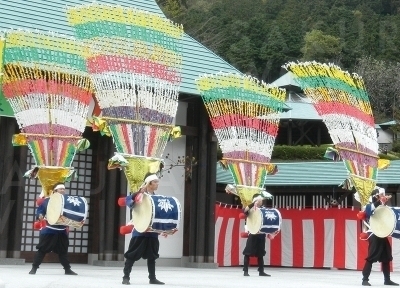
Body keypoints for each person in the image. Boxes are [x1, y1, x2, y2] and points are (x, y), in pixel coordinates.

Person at [122, 173, 166, 285]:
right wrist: (138, 193)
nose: (157, 184)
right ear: (149, 183)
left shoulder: (156, 198)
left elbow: (159, 215)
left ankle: (152, 278)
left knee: (152, 256)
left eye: (157, 181)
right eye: (155, 182)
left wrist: (163, 229)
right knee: (132, 254)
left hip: (152, 232)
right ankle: (126, 277)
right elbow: (128, 202)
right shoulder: (140, 195)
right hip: (140, 230)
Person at [29, 183, 77, 275]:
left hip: (62, 230)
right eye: (60, 189)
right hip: (49, 229)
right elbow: (40, 211)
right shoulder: (47, 201)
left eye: (63, 189)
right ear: (55, 190)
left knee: (63, 251)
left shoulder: (67, 201)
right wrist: (40, 216)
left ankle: (67, 269)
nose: (63, 190)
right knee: (42, 249)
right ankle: (34, 268)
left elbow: (73, 213)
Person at [361, 188, 398, 286]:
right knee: (371, 257)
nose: (382, 197)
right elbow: (369, 212)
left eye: (383, 195)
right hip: (374, 234)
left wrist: (383, 203)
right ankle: (365, 279)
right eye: (380, 195)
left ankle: (387, 279)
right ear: (376, 196)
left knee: (387, 257)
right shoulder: (369, 206)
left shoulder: (383, 208)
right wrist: (379, 202)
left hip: (383, 234)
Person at [242, 193, 270, 277]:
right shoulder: (251, 209)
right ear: (256, 200)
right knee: (247, 253)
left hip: (261, 234)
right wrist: (252, 204)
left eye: (261, 200)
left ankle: (261, 271)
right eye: (259, 200)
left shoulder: (263, 210)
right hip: (253, 233)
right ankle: (245, 271)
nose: (261, 201)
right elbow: (244, 211)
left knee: (260, 254)